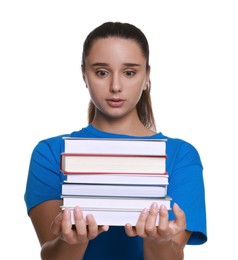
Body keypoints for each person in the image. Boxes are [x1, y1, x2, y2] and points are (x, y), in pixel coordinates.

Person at [24, 21, 207, 260]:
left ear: (147, 76)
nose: (116, 86)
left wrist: (158, 241)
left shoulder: (180, 155)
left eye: (129, 72)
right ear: (84, 74)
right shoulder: (50, 152)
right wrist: (73, 242)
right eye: (102, 72)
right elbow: (51, 256)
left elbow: (171, 257)